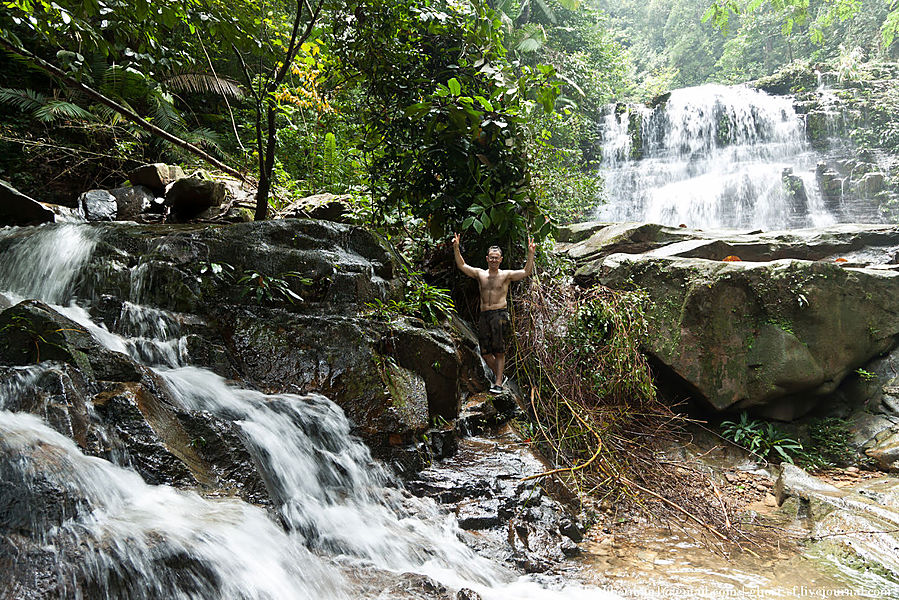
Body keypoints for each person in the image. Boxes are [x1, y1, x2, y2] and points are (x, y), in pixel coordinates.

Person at [453, 232, 535, 393]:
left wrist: (530, 253)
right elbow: (462, 266)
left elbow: (526, 272)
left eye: (496, 257)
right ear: (487, 258)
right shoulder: (480, 274)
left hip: (500, 314)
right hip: (484, 315)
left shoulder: (506, 275)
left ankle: (498, 383)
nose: (494, 260)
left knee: (498, 350)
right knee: (484, 352)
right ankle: (501, 375)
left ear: (501, 259)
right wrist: (456, 247)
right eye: (491, 257)